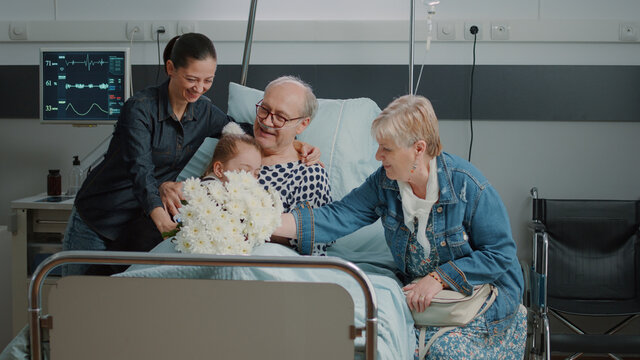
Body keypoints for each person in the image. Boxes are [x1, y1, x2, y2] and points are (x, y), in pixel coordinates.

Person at [273, 95, 527, 359]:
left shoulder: (468, 186)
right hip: (427, 303)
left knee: (443, 353)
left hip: (483, 300)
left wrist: (439, 278)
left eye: (387, 148)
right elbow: (338, 216)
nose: (377, 155)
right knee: (397, 347)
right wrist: (266, 222)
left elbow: (500, 254)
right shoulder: (385, 183)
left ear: (418, 148)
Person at [62, 33, 317, 275]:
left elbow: (239, 130)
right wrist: (163, 222)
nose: (200, 89)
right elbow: (140, 171)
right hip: (99, 218)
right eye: (192, 79)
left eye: (208, 81)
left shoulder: (203, 112)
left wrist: (293, 143)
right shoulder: (140, 109)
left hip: (135, 224)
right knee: (76, 300)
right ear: (171, 68)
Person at [253, 76, 333, 255]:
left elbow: (311, 245)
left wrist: (241, 223)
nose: (266, 121)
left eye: (280, 117)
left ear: (301, 125)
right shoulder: (231, 152)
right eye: (264, 109)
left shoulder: (309, 174)